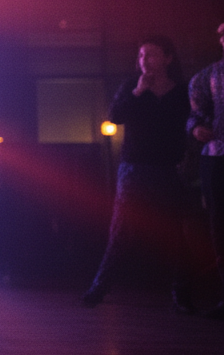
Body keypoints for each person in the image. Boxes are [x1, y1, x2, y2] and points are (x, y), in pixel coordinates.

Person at [82, 37, 191, 309]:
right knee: (121, 230)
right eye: (141, 55)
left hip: (168, 168)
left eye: (151, 55)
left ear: (167, 58)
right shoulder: (131, 87)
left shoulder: (181, 91)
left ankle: (182, 293)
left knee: (176, 232)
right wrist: (138, 92)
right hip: (134, 168)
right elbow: (115, 117)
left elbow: (190, 125)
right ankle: (99, 288)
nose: (144, 60)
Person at [188, 22, 224, 319]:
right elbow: (196, 115)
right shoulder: (208, 76)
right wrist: (197, 128)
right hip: (217, 157)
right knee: (219, 224)